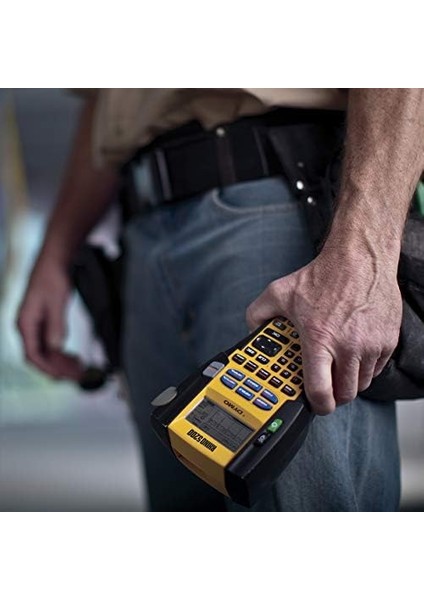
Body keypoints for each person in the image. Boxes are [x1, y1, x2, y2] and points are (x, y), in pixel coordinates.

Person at [17, 89, 424, 511]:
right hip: (144, 227)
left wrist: (363, 256)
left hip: (277, 198)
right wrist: (55, 255)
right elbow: (103, 101)